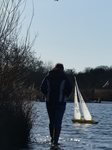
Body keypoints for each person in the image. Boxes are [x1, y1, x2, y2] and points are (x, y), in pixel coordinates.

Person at [40, 63, 72, 145]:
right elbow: (70, 88)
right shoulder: (64, 77)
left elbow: (42, 88)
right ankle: (56, 141)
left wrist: (46, 94)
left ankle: (52, 139)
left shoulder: (48, 76)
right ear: (62, 69)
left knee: (51, 121)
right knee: (58, 122)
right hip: (61, 102)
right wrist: (66, 96)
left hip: (49, 102)